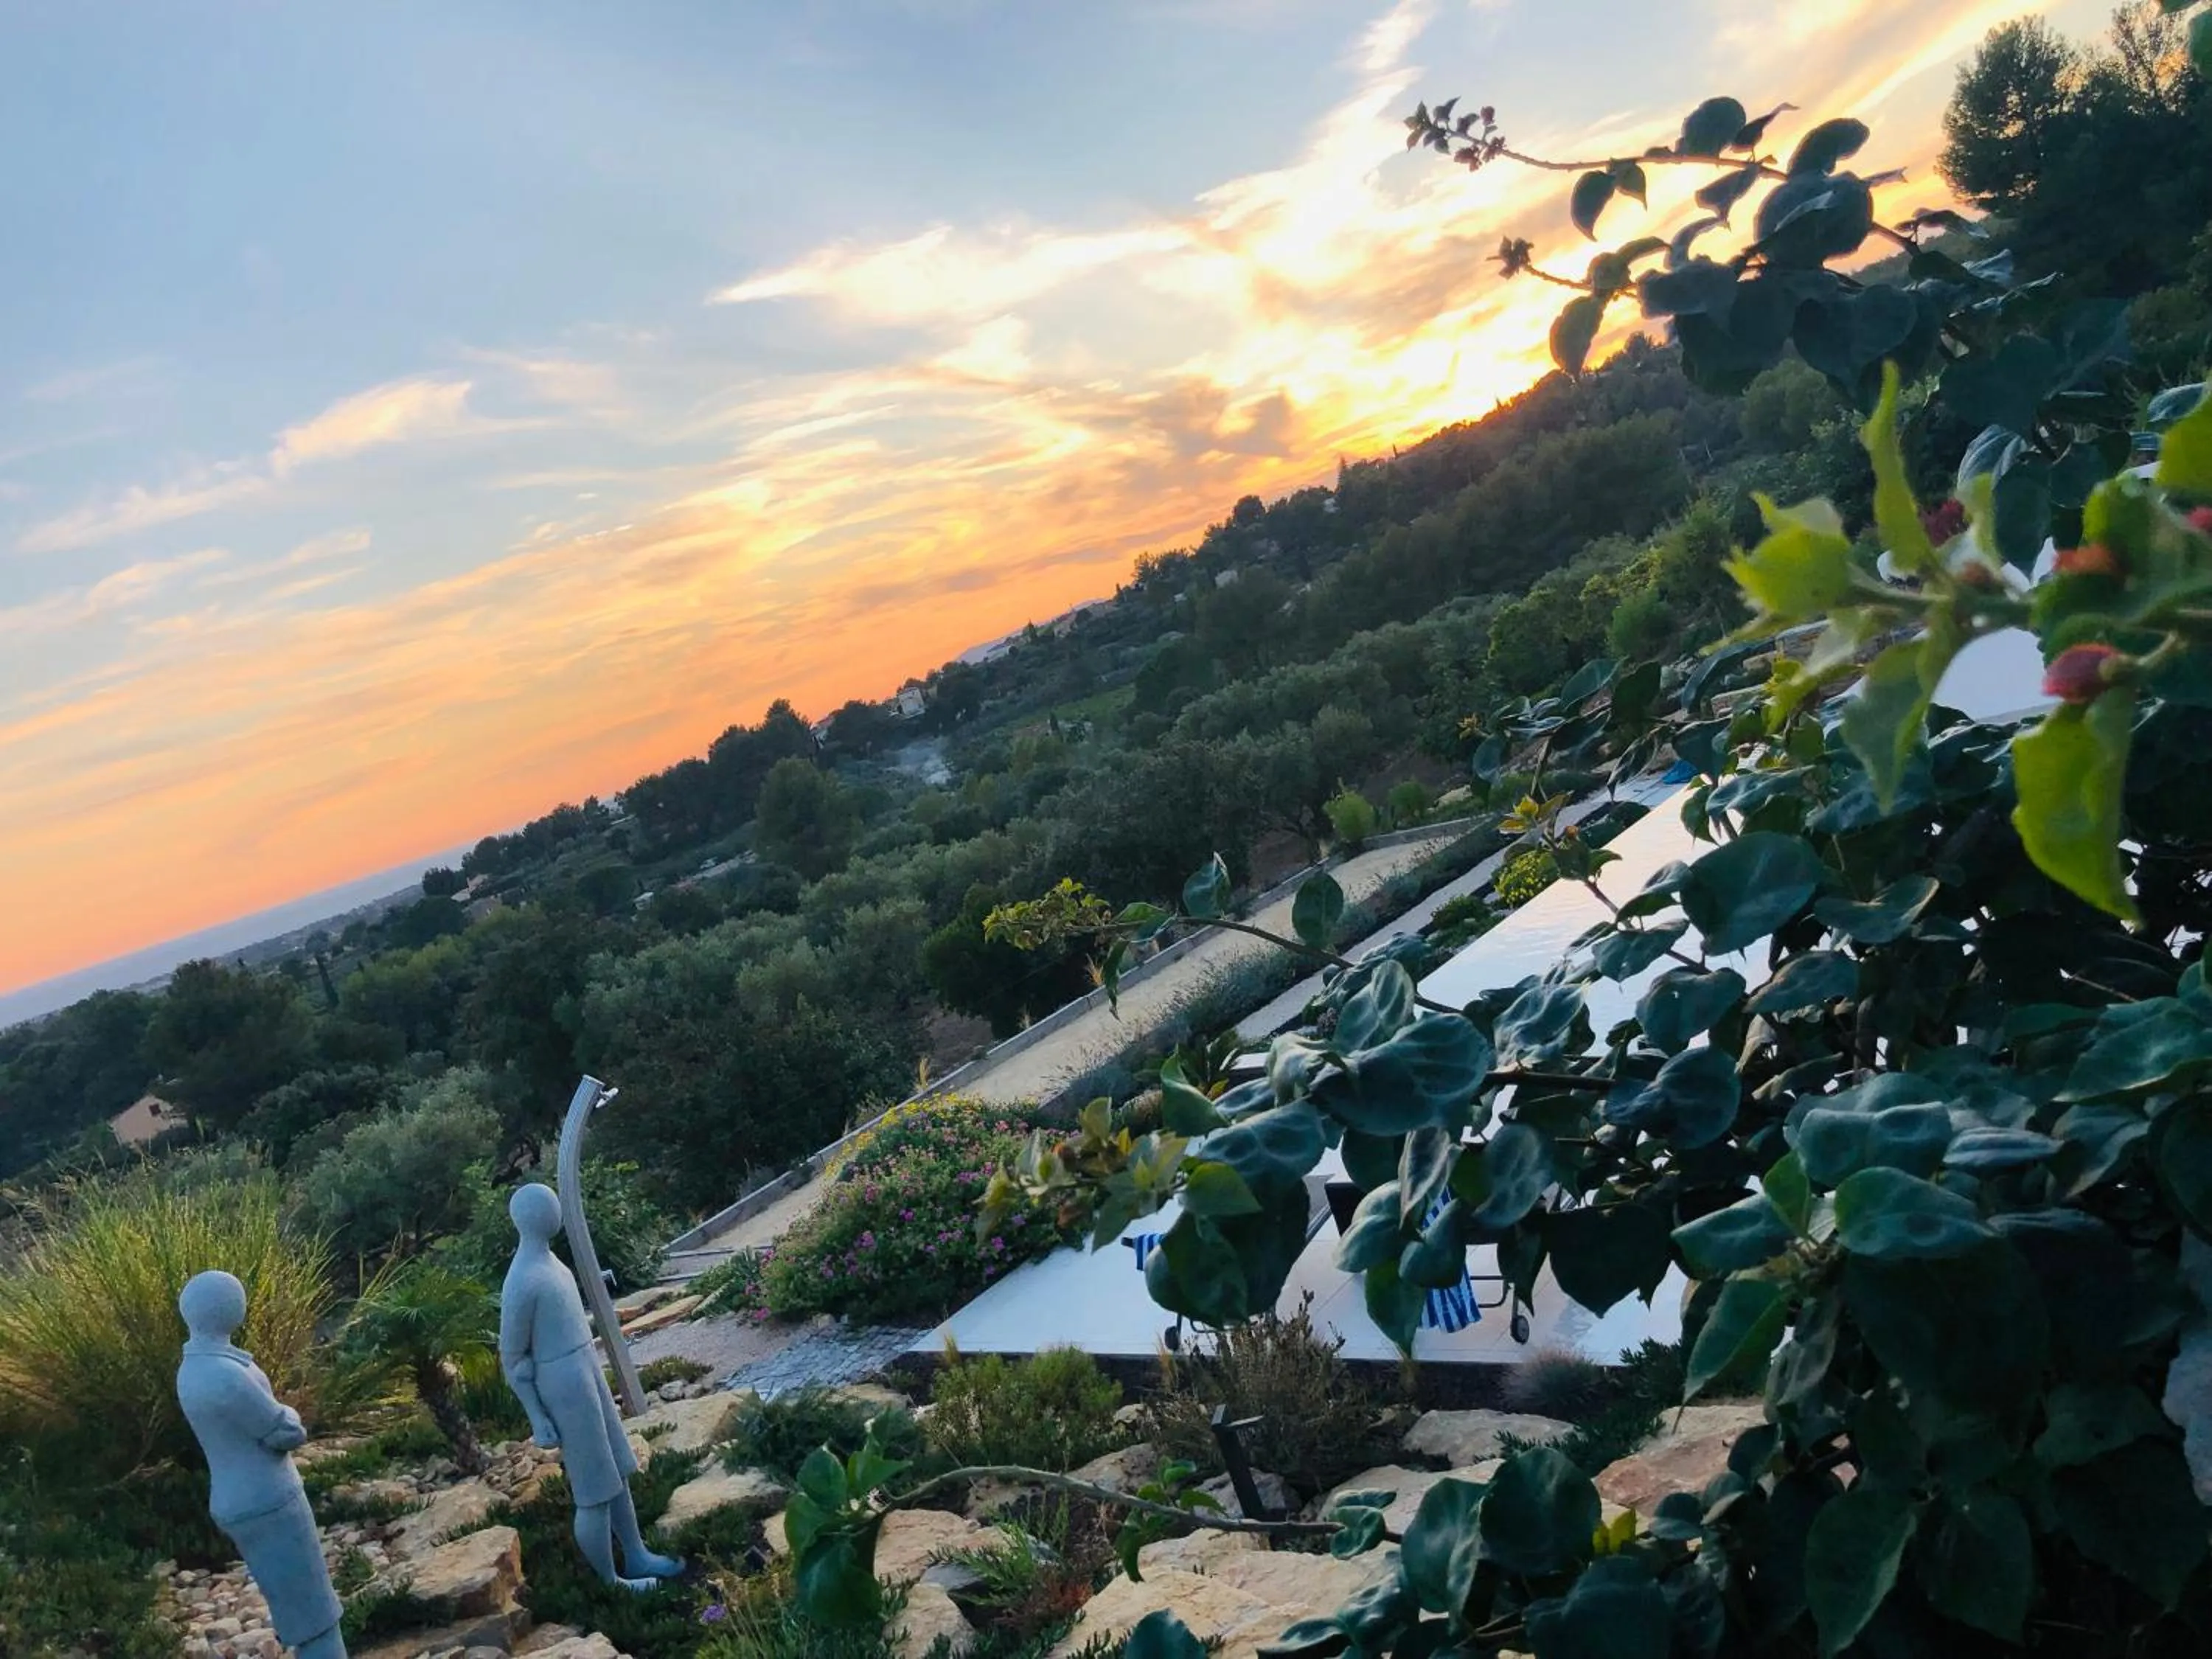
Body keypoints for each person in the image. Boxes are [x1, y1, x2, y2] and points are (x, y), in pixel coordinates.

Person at [498, 1183, 682, 1589]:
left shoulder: (551, 1263)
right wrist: (537, 1416)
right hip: (563, 1383)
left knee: (615, 1467)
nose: (555, 1212)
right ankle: (610, 1581)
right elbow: (513, 1359)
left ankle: (635, 1554)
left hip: (585, 1370)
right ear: (527, 1217)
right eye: (547, 1207)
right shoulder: (523, 1280)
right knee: (592, 1487)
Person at [175, 1270, 346, 1659]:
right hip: (269, 1497)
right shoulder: (225, 1375)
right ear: (232, 1311)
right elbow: (286, 1432)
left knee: (295, 1603)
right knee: (314, 1611)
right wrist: (287, 1412)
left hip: (236, 1497)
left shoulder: (191, 1370)